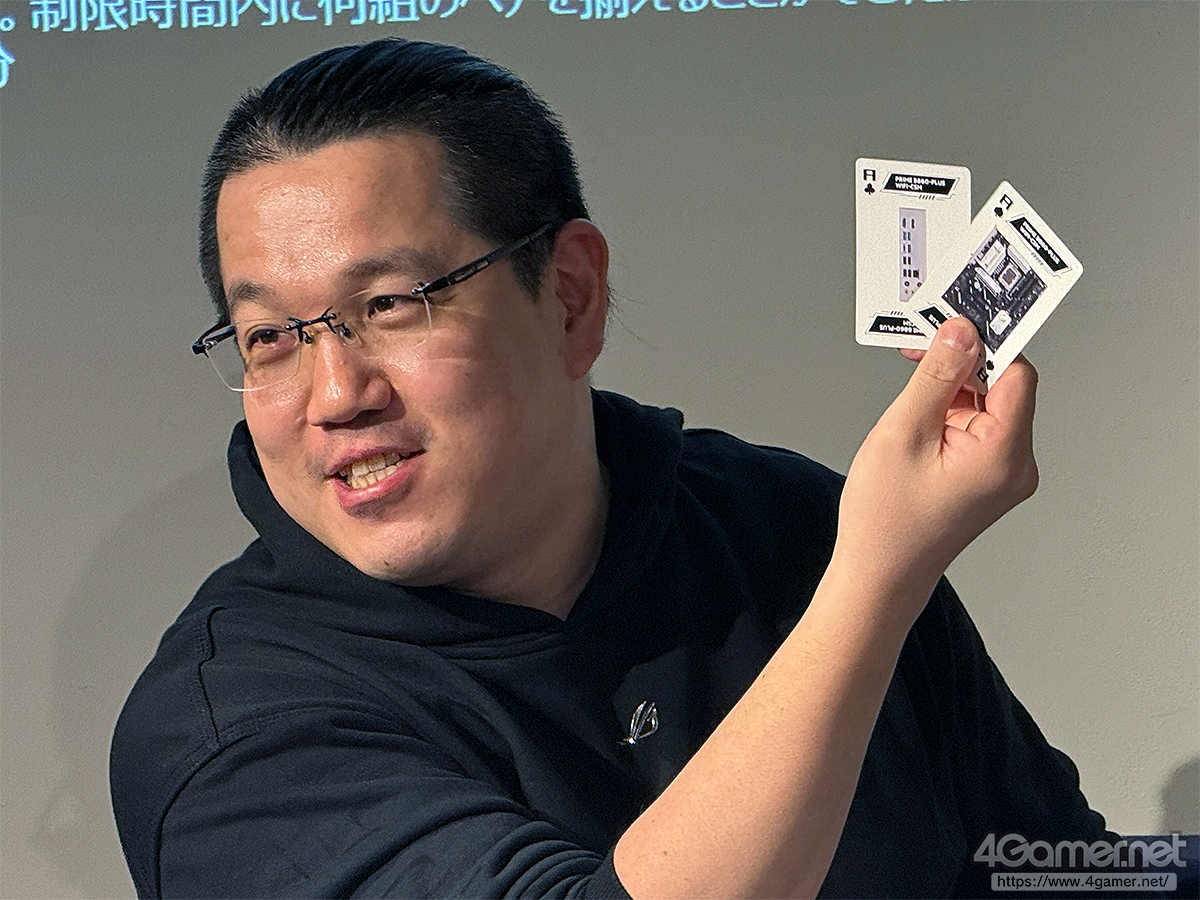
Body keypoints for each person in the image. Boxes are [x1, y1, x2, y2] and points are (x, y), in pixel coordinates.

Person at [110, 38, 1111, 899]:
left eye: (388, 305)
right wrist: (875, 582)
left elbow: (1050, 866)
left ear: (571, 296)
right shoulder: (226, 728)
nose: (335, 394)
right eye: (270, 338)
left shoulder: (793, 527)